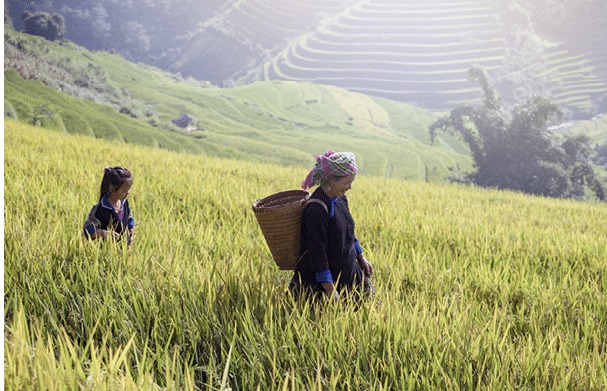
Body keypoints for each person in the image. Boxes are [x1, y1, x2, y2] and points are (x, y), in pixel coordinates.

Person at [289, 151, 375, 302]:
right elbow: (317, 252)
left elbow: (349, 232)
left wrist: (361, 258)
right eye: (347, 182)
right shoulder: (316, 208)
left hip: (348, 275)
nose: (350, 187)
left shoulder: (341, 199)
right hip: (324, 284)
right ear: (331, 179)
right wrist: (329, 288)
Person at [83, 166, 135, 244]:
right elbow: (87, 228)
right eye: (124, 190)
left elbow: (130, 217)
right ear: (112, 189)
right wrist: (105, 233)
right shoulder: (100, 209)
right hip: (107, 251)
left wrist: (131, 230)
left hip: (124, 249)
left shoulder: (124, 203)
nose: (128, 193)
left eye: (128, 190)